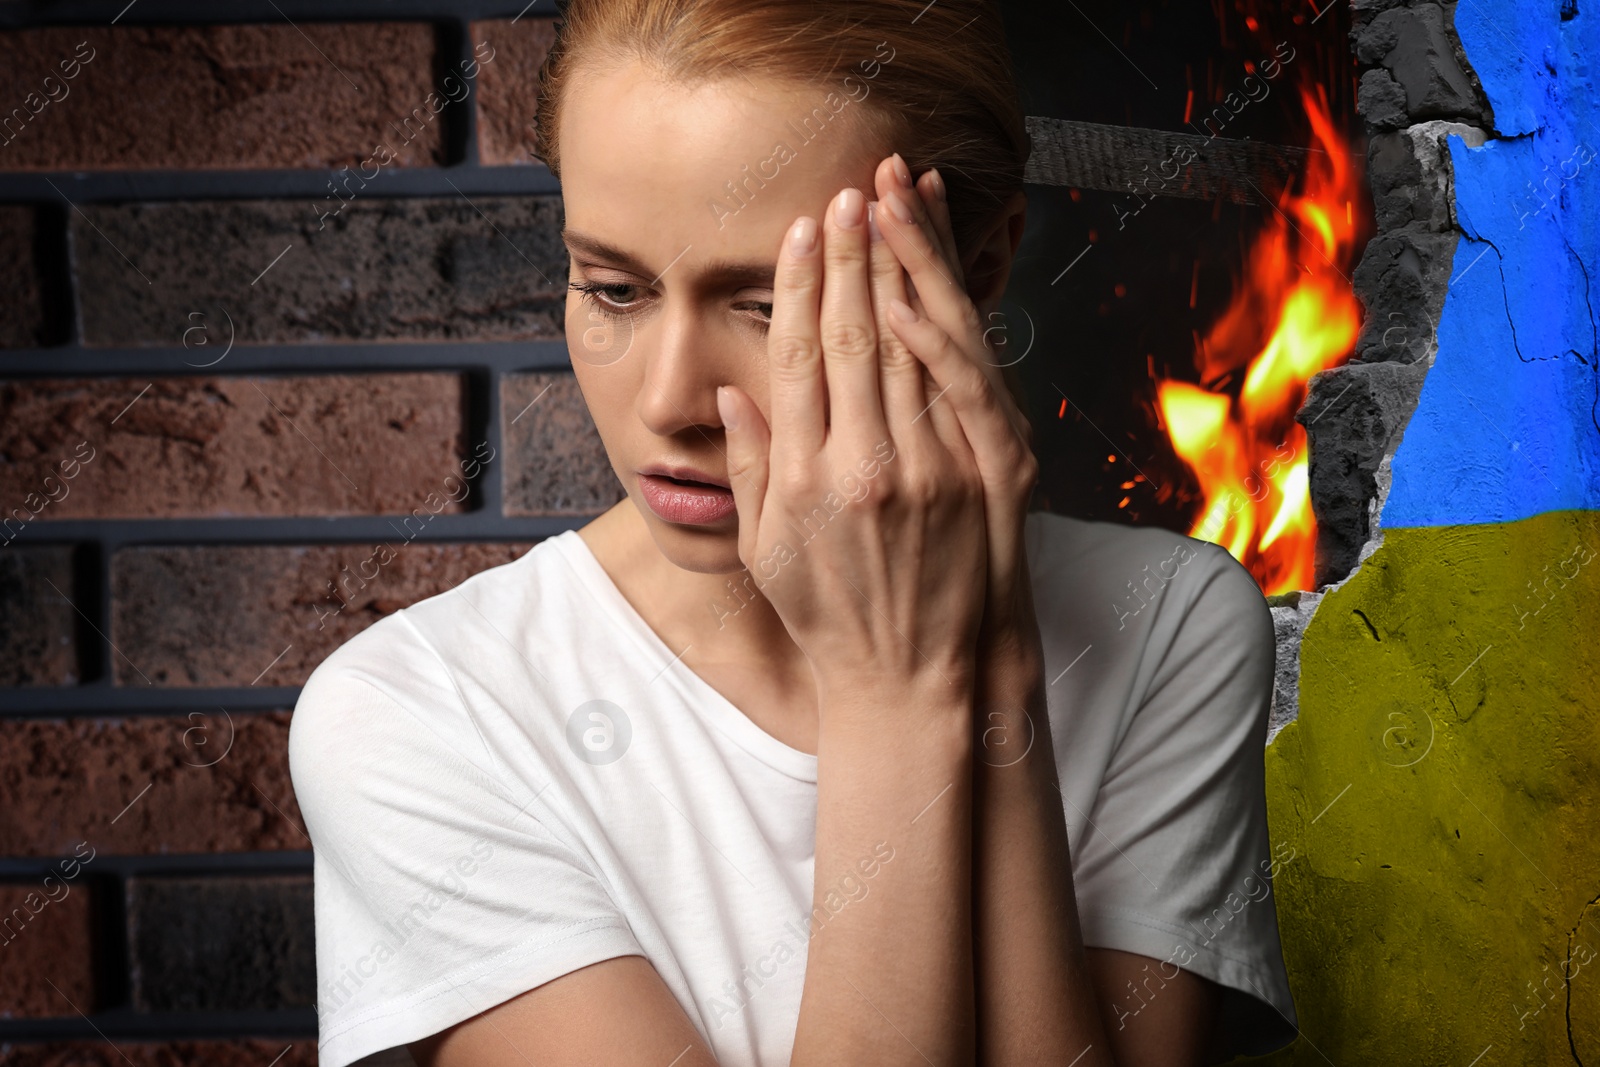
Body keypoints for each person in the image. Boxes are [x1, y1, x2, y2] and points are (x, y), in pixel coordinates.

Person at [286, 1, 1299, 1064]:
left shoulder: (1170, 627)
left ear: (979, 270)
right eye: (613, 288)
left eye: (769, 304)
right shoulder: (422, 715)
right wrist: (892, 692)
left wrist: (987, 660)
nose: (670, 398)